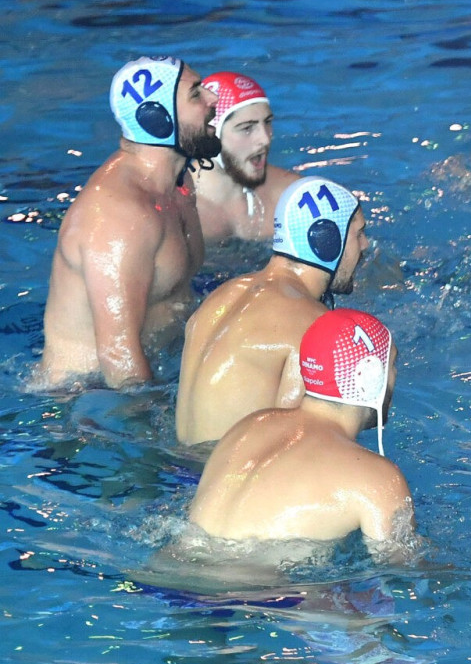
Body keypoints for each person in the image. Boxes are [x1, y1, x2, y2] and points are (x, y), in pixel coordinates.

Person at [36, 57, 219, 388]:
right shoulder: (119, 217)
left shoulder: (177, 184)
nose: (213, 98)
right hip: (85, 399)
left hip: (159, 365)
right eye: (196, 93)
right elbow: (119, 361)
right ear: (156, 119)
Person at [185, 309, 417, 563]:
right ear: (371, 375)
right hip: (249, 587)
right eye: (392, 365)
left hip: (170, 571)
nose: (395, 374)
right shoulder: (378, 479)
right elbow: (403, 571)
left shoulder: (249, 425)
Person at [176, 177, 368, 445]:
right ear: (326, 240)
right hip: (230, 469)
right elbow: (292, 445)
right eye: (358, 234)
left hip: (179, 465)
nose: (365, 245)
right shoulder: (312, 325)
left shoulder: (222, 295)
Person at [189, 71, 300, 245]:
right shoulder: (180, 211)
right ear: (210, 134)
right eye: (247, 128)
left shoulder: (291, 194)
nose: (265, 139)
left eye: (267, 122)